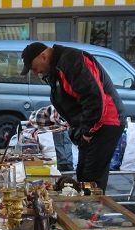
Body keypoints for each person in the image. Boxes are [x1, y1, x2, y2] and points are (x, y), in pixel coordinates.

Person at [20, 42, 125, 190]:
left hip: (105, 122)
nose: (35, 72)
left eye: (33, 67)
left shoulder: (71, 61)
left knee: (91, 177)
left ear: (43, 56)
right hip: (92, 124)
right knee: (83, 174)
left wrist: (87, 131)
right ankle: (86, 203)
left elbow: (94, 97)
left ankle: (92, 204)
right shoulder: (56, 68)